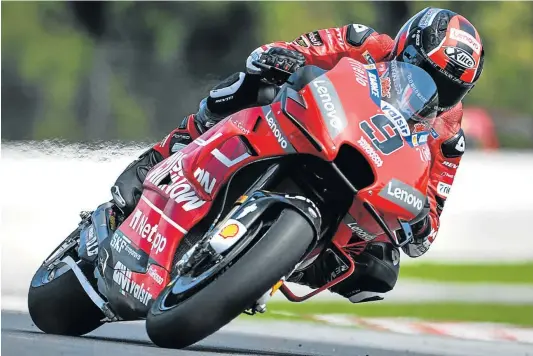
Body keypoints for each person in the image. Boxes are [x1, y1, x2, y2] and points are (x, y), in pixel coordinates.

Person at [111, 7, 484, 303]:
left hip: (364, 182)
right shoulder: (365, 42)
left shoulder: (448, 137)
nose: (433, 91)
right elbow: (298, 48)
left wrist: (420, 219)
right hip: (313, 126)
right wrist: (284, 57)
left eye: (447, 89)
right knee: (252, 83)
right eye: (424, 72)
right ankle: (163, 153)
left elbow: (428, 226)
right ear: (405, 48)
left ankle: (278, 262)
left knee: (382, 267)